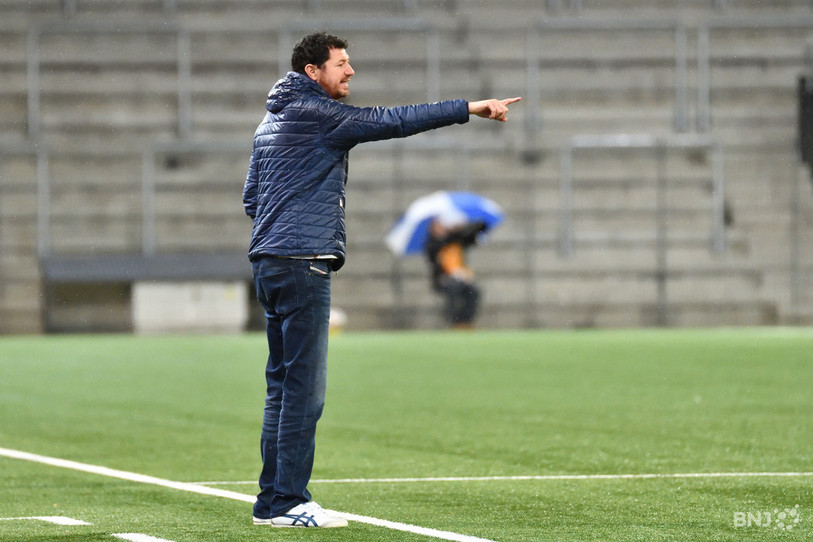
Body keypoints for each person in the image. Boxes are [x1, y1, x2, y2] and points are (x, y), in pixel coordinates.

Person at [242, 30, 520, 528]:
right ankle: (287, 502)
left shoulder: (271, 119)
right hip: (303, 261)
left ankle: (271, 501)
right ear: (312, 71)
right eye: (341, 63)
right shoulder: (319, 114)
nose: (351, 71)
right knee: (304, 390)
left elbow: (251, 199)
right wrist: (469, 107)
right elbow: (391, 120)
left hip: (269, 261)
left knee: (281, 386)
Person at [425, 219, 487, 328]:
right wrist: (454, 232)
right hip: (443, 279)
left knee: (474, 292)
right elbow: (438, 247)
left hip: (461, 278)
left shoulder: (457, 241)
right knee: (453, 289)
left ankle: (466, 321)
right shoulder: (432, 243)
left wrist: (469, 226)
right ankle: (454, 321)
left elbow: (473, 236)